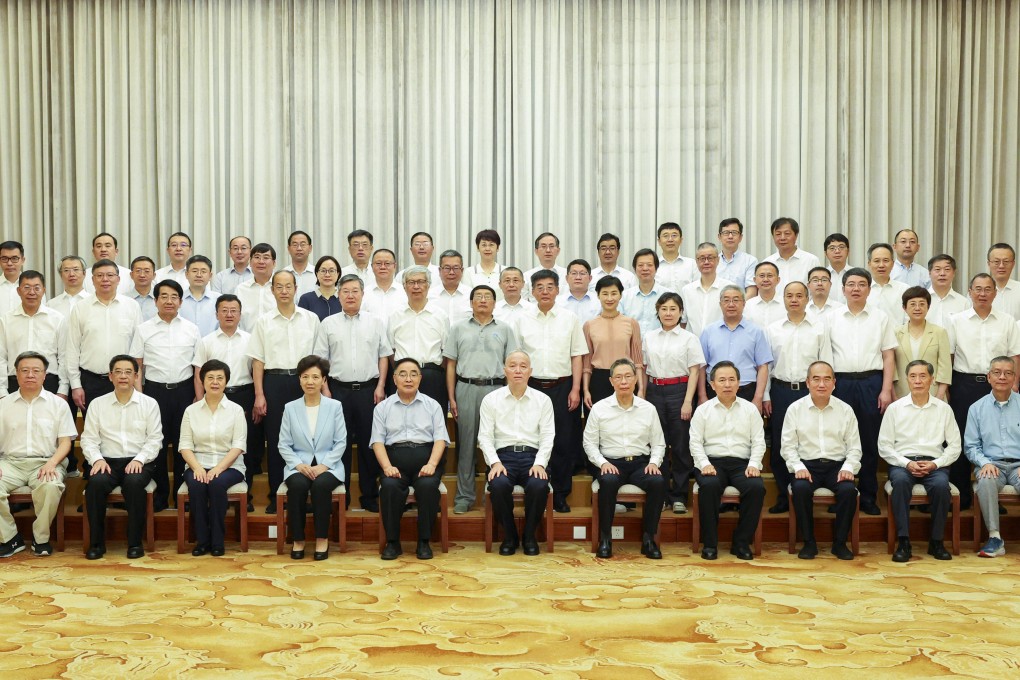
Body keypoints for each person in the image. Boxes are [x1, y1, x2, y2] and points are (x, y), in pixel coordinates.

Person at [314, 274, 392, 512]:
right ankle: (342, 496)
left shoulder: (375, 322)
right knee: (340, 445)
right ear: (338, 295)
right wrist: (325, 389)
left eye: (355, 291)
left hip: (369, 390)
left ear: (362, 294)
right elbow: (321, 359)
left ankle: (369, 496)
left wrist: (380, 386)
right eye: (345, 291)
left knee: (370, 445)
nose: (350, 295)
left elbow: (383, 356)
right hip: (337, 390)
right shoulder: (328, 323)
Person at [247, 270, 321, 513]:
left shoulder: (310, 319)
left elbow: (317, 359)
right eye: (279, 286)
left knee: (307, 437)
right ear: (272, 290)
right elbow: (258, 361)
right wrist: (259, 393)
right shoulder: (263, 321)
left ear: (296, 287)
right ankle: (277, 494)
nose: (284, 291)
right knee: (278, 439)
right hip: (274, 382)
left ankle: (307, 493)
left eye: (288, 286)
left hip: (304, 382)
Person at [946, 273, 1020, 510]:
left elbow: (1014, 355)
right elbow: (948, 356)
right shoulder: (956, 320)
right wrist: (946, 387)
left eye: (988, 289)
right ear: (969, 291)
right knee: (960, 437)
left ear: (995, 293)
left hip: (997, 383)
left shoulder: (1007, 321)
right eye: (977, 289)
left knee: (996, 436)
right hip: (964, 383)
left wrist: (1014, 385)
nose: (983, 293)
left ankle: (993, 494)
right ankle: (963, 497)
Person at [516, 269, 587, 513]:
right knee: (533, 439)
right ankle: (536, 489)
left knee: (563, 441)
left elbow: (577, 355)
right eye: (539, 287)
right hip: (532, 386)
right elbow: (517, 358)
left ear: (558, 290)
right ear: (532, 291)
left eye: (550, 287)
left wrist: (576, 388)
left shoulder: (570, 318)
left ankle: (560, 493)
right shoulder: (522, 319)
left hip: (563, 386)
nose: (545, 291)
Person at [827, 267, 897, 516]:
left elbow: (889, 356)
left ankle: (868, 496)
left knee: (869, 440)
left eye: (861, 284)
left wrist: (886, 389)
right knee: (839, 440)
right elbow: (826, 356)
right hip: (840, 384)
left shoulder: (881, 317)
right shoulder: (832, 317)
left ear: (869, 289)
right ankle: (841, 493)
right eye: (851, 284)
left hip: (871, 383)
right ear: (843, 288)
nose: (856, 289)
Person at [583, 358, 667, 559]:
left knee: (657, 481)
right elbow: (589, 443)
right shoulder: (600, 408)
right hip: (610, 462)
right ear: (611, 381)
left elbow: (658, 443)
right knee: (608, 481)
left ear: (636, 379)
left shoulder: (648, 409)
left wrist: (654, 463)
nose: (624, 381)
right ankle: (605, 539)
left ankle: (649, 539)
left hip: (640, 463)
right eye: (618, 377)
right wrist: (603, 463)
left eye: (628, 376)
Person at [80, 355, 163, 560]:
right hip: (106, 461)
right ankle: (97, 544)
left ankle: (134, 543)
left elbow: (155, 439)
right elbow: (89, 439)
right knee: (96, 483)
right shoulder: (98, 404)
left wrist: (140, 459)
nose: (123, 376)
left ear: (136, 376)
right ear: (110, 376)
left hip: (139, 461)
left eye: (128, 372)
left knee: (134, 483)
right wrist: (97, 460)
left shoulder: (149, 404)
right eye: (118, 371)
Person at [130, 279, 202, 512]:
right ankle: (161, 495)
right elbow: (137, 366)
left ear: (181, 302)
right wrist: (140, 396)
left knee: (185, 444)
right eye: (164, 296)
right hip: (154, 393)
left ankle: (184, 493)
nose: (169, 301)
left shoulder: (191, 329)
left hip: (184, 392)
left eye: (174, 297)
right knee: (157, 446)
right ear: (156, 300)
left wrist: (198, 397)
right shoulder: (144, 329)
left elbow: (197, 367)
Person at [445, 285, 517, 514]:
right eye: (478, 297)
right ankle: (464, 497)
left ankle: (492, 493)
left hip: (496, 389)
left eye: (488, 297)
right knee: (466, 445)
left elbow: (511, 365)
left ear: (495, 303)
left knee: (494, 443)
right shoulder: (458, 328)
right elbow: (451, 365)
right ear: (471, 302)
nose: (483, 300)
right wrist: (451, 398)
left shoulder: (505, 329)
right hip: (465, 388)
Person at [880, 359, 962, 562]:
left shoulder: (944, 409)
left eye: (923, 376)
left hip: (934, 464)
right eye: (913, 376)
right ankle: (904, 541)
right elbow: (884, 446)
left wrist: (936, 464)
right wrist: (906, 463)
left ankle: (936, 542)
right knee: (899, 482)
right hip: (903, 463)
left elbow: (954, 446)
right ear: (907, 380)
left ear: (932, 380)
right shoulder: (895, 408)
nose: (918, 380)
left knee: (942, 486)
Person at [780, 361, 861, 560]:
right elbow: (787, 447)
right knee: (800, 488)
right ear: (807, 382)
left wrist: (849, 467)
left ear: (834, 383)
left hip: (837, 465)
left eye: (827, 379)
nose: (821, 384)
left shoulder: (845, 410)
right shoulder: (795, 409)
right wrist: (798, 466)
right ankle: (809, 543)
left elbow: (855, 447)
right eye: (816, 379)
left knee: (848, 490)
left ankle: (840, 543)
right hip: (807, 466)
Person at [0, 352, 78, 558]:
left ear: (45, 375)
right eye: (24, 370)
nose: (30, 375)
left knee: (51, 486)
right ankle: (9, 538)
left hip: (46, 462)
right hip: (10, 463)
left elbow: (65, 442)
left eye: (36, 371)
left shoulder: (58, 404)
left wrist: (53, 463)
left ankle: (40, 538)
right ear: (16, 374)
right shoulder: (3, 404)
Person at [371, 358, 450, 560]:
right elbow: (378, 442)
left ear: (420, 378)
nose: (409, 379)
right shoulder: (382, 407)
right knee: (389, 486)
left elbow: (441, 439)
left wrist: (432, 464)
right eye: (403, 374)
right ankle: (393, 542)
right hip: (395, 460)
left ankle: (424, 542)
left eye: (413, 374)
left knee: (427, 486)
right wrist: (387, 467)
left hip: (426, 459)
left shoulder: (432, 406)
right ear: (394, 378)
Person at [765, 281, 832, 514]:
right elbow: (767, 365)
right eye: (789, 295)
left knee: (810, 440)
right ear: (783, 299)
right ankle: (784, 495)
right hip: (781, 390)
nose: (794, 299)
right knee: (780, 444)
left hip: (811, 391)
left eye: (799, 296)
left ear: (807, 299)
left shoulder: (819, 327)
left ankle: (808, 491)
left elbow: (825, 363)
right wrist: (765, 395)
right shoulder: (773, 329)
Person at [478, 351, 554, 556]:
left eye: (523, 366)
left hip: (533, 457)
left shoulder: (543, 400)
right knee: (499, 484)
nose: (518, 370)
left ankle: (529, 535)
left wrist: (540, 463)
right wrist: (494, 463)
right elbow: (484, 437)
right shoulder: (491, 400)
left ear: (530, 371)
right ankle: (509, 535)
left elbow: (547, 437)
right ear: (505, 371)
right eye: (512, 365)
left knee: (539, 485)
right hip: (503, 458)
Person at [690, 361, 766, 560]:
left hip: (742, 463)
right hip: (711, 462)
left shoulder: (750, 410)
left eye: (732, 380)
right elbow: (695, 442)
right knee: (710, 485)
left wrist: (753, 465)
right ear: (712, 384)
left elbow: (759, 441)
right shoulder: (703, 410)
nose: (727, 384)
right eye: (721, 380)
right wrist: (704, 464)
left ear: (739, 383)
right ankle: (710, 544)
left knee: (756, 487)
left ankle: (741, 543)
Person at [193, 294, 262, 512]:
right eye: (224, 310)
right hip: (212, 396)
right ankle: (208, 491)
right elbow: (198, 373)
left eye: (234, 310)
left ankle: (245, 494)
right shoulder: (206, 341)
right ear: (216, 314)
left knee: (245, 446)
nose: (229, 314)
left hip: (244, 394)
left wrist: (258, 397)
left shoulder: (251, 339)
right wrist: (199, 399)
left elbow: (258, 369)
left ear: (240, 314)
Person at [278, 355, 346, 560]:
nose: (310, 381)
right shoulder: (290, 408)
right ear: (299, 379)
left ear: (324, 380)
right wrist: (299, 465)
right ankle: (298, 539)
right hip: (298, 465)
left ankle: (321, 539)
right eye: (305, 376)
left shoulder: (335, 406)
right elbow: (283, 444)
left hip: (329, 465)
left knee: (320, 486)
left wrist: (324, 465)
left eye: (315, 377)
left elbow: (341, 442)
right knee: (297, 486)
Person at [642, 292, 704, 515]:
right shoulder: (649, 337)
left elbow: (695, 371)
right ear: (657, 312)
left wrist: (688, 401)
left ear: (680, 313)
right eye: (664, 309)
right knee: (657, 443)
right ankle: (659, 496)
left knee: (679, 445)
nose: (668, 313)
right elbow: (643, 368)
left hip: (680, 391)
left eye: (673, 309)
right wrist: (642, 395)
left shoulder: (689, 338)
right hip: (654, 391)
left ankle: (678, 495)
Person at [180, 359, 247, 557]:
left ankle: (218, 540)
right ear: (202, 381)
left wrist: (218, 468)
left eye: (220, 378)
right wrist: (197, 468)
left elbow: (238, 445)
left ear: (226, 382)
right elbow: (185, 445)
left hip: (230, 465)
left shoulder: (236, 410)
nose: (215, 382)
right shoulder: (191, 411)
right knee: (197, 484)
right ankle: (202, 541)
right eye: (210, 378)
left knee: (217, 484)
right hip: (197, 463)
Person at [66, 259, 143, 415]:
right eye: (99, 275)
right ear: (92, 280)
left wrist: (137, 383)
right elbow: (72, 348)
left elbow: (138, 348)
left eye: (110, 275)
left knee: (125, 429)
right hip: (91, 381)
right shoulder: (81, 308)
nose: (105, 279)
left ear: (118, 279)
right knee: (94, 431)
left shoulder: (132, 306)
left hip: (124, 381)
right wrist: (75, 385)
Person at [964, 356, 1020, 558]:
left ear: (1014, 377)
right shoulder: (976, 408)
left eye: (1008, 373)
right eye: (997, 372)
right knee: (985, 481)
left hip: (1018, 466)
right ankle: (995, 538)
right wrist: (984, 462)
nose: (1002, 377)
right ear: (989, 377)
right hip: (990, 464)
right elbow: (970, 446)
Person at [697, 285, 772, 412]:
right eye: (726, 300)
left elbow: (763, 367)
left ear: (743, 304)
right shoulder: (708, 332)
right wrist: (702, 396)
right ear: (720, 304)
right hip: (714, 391)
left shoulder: (756, 331)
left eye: (736, 300)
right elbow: (701, 366)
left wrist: (758, 398)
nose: (731, 304)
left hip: (746, 391)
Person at [388, 266, 450, 407]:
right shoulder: (395, 316)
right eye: (411, 282)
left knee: (434, 421)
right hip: (402, 376)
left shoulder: (440, 316)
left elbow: (446, 353)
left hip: (432, 376)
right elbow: (391, 350)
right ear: (404, 287)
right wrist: (402, 369)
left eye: (421, 282)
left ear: (428, 286)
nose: (416, 286)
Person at [0, 271, 66, 399]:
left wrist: (63, 388)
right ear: (18, 291)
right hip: (14, 382)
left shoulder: (57, 319)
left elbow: (63, 356)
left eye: (36, 288)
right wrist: (2, 391)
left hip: (49, 381)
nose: (31, 292)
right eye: (26, 288)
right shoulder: (6, 320)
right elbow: (1, 357)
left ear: (43, 290)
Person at [583, 276, 644, 408]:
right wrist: (586, 390)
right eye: (605, 294)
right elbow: (587, 364)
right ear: (598, 296)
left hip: (626, 379)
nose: (609, 298)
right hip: (599, 379)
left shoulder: (631, 323)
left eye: (614, 293)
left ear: (620, 295)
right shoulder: (589, 325)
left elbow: (638, 361)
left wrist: (641, 389)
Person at [893, 287, 951, 399]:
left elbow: (945, 367)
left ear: (928, 307)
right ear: (904, 308)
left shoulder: (939, 332)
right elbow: (892, 367)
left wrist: (940, 395)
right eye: (913, 304)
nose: (917, 308)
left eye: (922, 304)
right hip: (902, 392)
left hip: (933, 392)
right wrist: (893, 395)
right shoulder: (896, 333)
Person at [680, 243, 734, 336]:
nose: (706, 262)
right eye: (702, 258)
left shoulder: (729, 288)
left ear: (718, 260)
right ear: (696, 262)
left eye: (710, 258)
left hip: (721, 343)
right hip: (693, 345)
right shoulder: (687, 290)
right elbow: (682, 322)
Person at [621, 248, 675, 334]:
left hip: (660, 345)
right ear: (634, 269)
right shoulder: (624, 296)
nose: (645, 269)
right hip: (631, 346)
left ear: (656, 268)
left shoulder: (669, 296)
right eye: (640, 265)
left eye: (649, 265)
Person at [763, 217, 821, 285]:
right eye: (778, 234)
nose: (782, 238)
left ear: (796, 235)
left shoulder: (811, 260)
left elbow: (817, 288)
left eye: (787, 233)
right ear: (773, 237)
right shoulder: (767, 263)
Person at [236, 243, 277, 332]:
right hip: (248, 341)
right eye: (257, 257)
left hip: (275, 341)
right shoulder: (241, 289)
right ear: (250, 262)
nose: (261, 261)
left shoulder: (281, 288)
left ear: (274, 263)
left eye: (266, 258)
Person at [866, 242, 908, 324]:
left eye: (885, 260)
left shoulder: (904, 289)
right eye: (877, 261)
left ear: (892, 264)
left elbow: (908, 320)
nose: (881, 265)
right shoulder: (861, 290)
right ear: (869, 264)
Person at [715, 218, 758, 297]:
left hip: (742, 307)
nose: (730, 236)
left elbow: (752, 292)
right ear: (719, 237)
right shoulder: (712, 262)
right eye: (726, 233)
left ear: (740, 237)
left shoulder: (750, 261)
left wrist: (737, 307)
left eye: (734, 233)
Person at [925, 254, 970, 327]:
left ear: (954, 273)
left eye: (947, 269)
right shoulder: (920, 300)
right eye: (937, 269)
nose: (942, 274)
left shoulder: (963, 303)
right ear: (929, 273)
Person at [428, 250, 472, 325]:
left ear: (462, 270)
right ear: (439, 271)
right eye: (447, 268)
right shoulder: (429, 296)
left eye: (456, 268)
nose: (451, 272)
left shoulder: (471, 295)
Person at [180, 255, 220, 335]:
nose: (199, 275)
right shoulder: (177, 299)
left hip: (211, 346)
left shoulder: (219, 299)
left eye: (203, 271)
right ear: (186, 274)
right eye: (194, 271)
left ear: (210, 276)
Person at [363, 249, 407, 321]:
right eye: (378, 263)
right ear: (372, 267)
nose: (383, 267)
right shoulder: (364, 293)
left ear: (395, 266)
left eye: (387, 263)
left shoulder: (405, 293)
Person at [654, 223, 697, 293]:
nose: (670, 239)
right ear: (659, 241)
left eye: (674, 235)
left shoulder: (692, 264)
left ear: (681, 240)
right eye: (665, 236)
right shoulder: (653, 266)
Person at [523, 232, 567, 301]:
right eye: (543, 246)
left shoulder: (567, 275)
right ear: (536, 251)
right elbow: (524, 303)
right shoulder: (526, 276)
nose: (548, 250)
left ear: (558, 251)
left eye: (551, 246)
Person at [298, 255, 342, 320]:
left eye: (331, 271)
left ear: (338, 274)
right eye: (323, 271)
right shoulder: (306, 299)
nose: (327, 275)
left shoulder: (344, 298)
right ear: (317, 274)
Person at [743, 262, 785, 329]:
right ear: (754, 280)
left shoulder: (786, 304)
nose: (765, 280)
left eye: (770, 276)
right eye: (762, 276)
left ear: (778, 280)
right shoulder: (747, 306)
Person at [557, 259, 600, 324]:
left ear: (590, 278)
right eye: (574, 273)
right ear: (567, 278)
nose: (578, 277)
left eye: (582, 273)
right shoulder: (557, 303)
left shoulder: (599, 302)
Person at [465, 229, 504, 296]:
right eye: (484, 245)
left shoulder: (505, 271)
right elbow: (467, 297)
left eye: (491, 245)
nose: (487, 249)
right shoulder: (468, 272)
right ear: (477, 247)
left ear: (497, 248)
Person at [987, 243, 1020, 319]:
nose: (1001, 266)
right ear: (989, 264)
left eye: (1006, 261)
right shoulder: (978, 292)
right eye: (996, 261)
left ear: (1013, 264)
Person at [283, 230, 317, 296]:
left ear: (310, 248)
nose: (299, 248)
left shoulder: (318, 274)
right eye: (295, 245)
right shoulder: (282, 274)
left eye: (303, 244)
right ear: (289, 249)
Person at [823, 233, 852, 304]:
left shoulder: (856, 275)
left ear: (848, 251)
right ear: (825, 253)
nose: (837, 251)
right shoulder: (822, 276)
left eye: (841, 247)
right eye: (832, 248)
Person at [128, 256, 158, 321]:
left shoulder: (160, 299)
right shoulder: (123, 299)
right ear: (131, 275)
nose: (142, 275)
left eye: (147, 271)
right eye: (138, 271)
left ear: (154, 275)